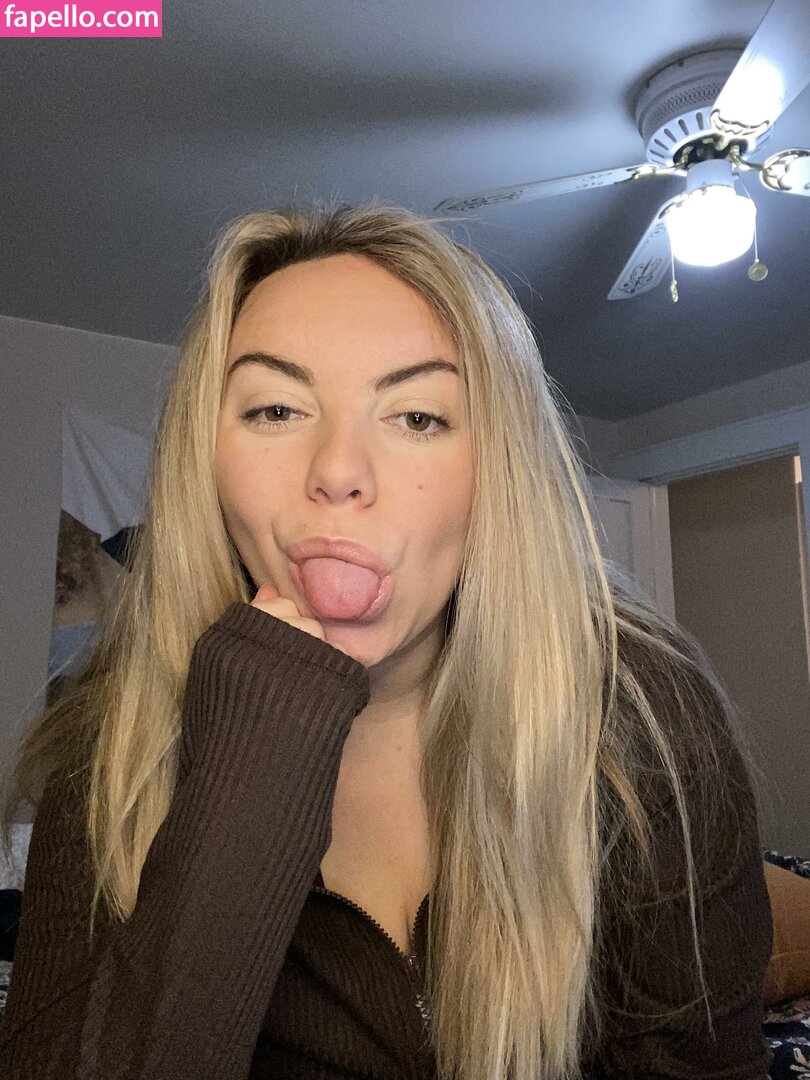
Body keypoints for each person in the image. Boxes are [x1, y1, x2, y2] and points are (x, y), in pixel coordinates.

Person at [0, 202, 774, 1080]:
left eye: (417, 418)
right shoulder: (110, 756)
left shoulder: (643, 712)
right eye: (276, 409)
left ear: (496, 473)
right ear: (205, 464)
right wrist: (247, 771)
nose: (338, 471)